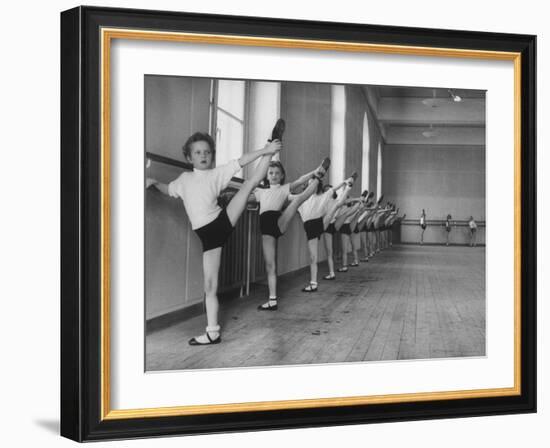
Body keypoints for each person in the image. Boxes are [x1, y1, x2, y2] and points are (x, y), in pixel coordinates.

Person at [146, 131, 282, 345]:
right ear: (189, 157)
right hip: (208, 238)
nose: (203, 155)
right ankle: (212, 332)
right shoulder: (184, 180)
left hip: (222, 221)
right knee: (210, 285)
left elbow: (242, 160)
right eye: (198, 152)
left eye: (207, 152)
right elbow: (168, 189)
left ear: (212, 156)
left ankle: (270, 144)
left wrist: (267, 150)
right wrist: (153, 182)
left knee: (249, 184)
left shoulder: (217, 174)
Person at [255, 157, 331, 310]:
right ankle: (272, 300)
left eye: (277, 173)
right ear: (266, 175)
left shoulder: (284, 189)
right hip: (267, 230)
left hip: (279, 222)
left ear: (282, 176)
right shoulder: (260, 192)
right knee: (270, 265)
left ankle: (319, 176)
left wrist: (314, 173)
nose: (274, 175)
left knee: (298, 200)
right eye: (271, 173)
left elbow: (300, 180)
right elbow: (245, 196)